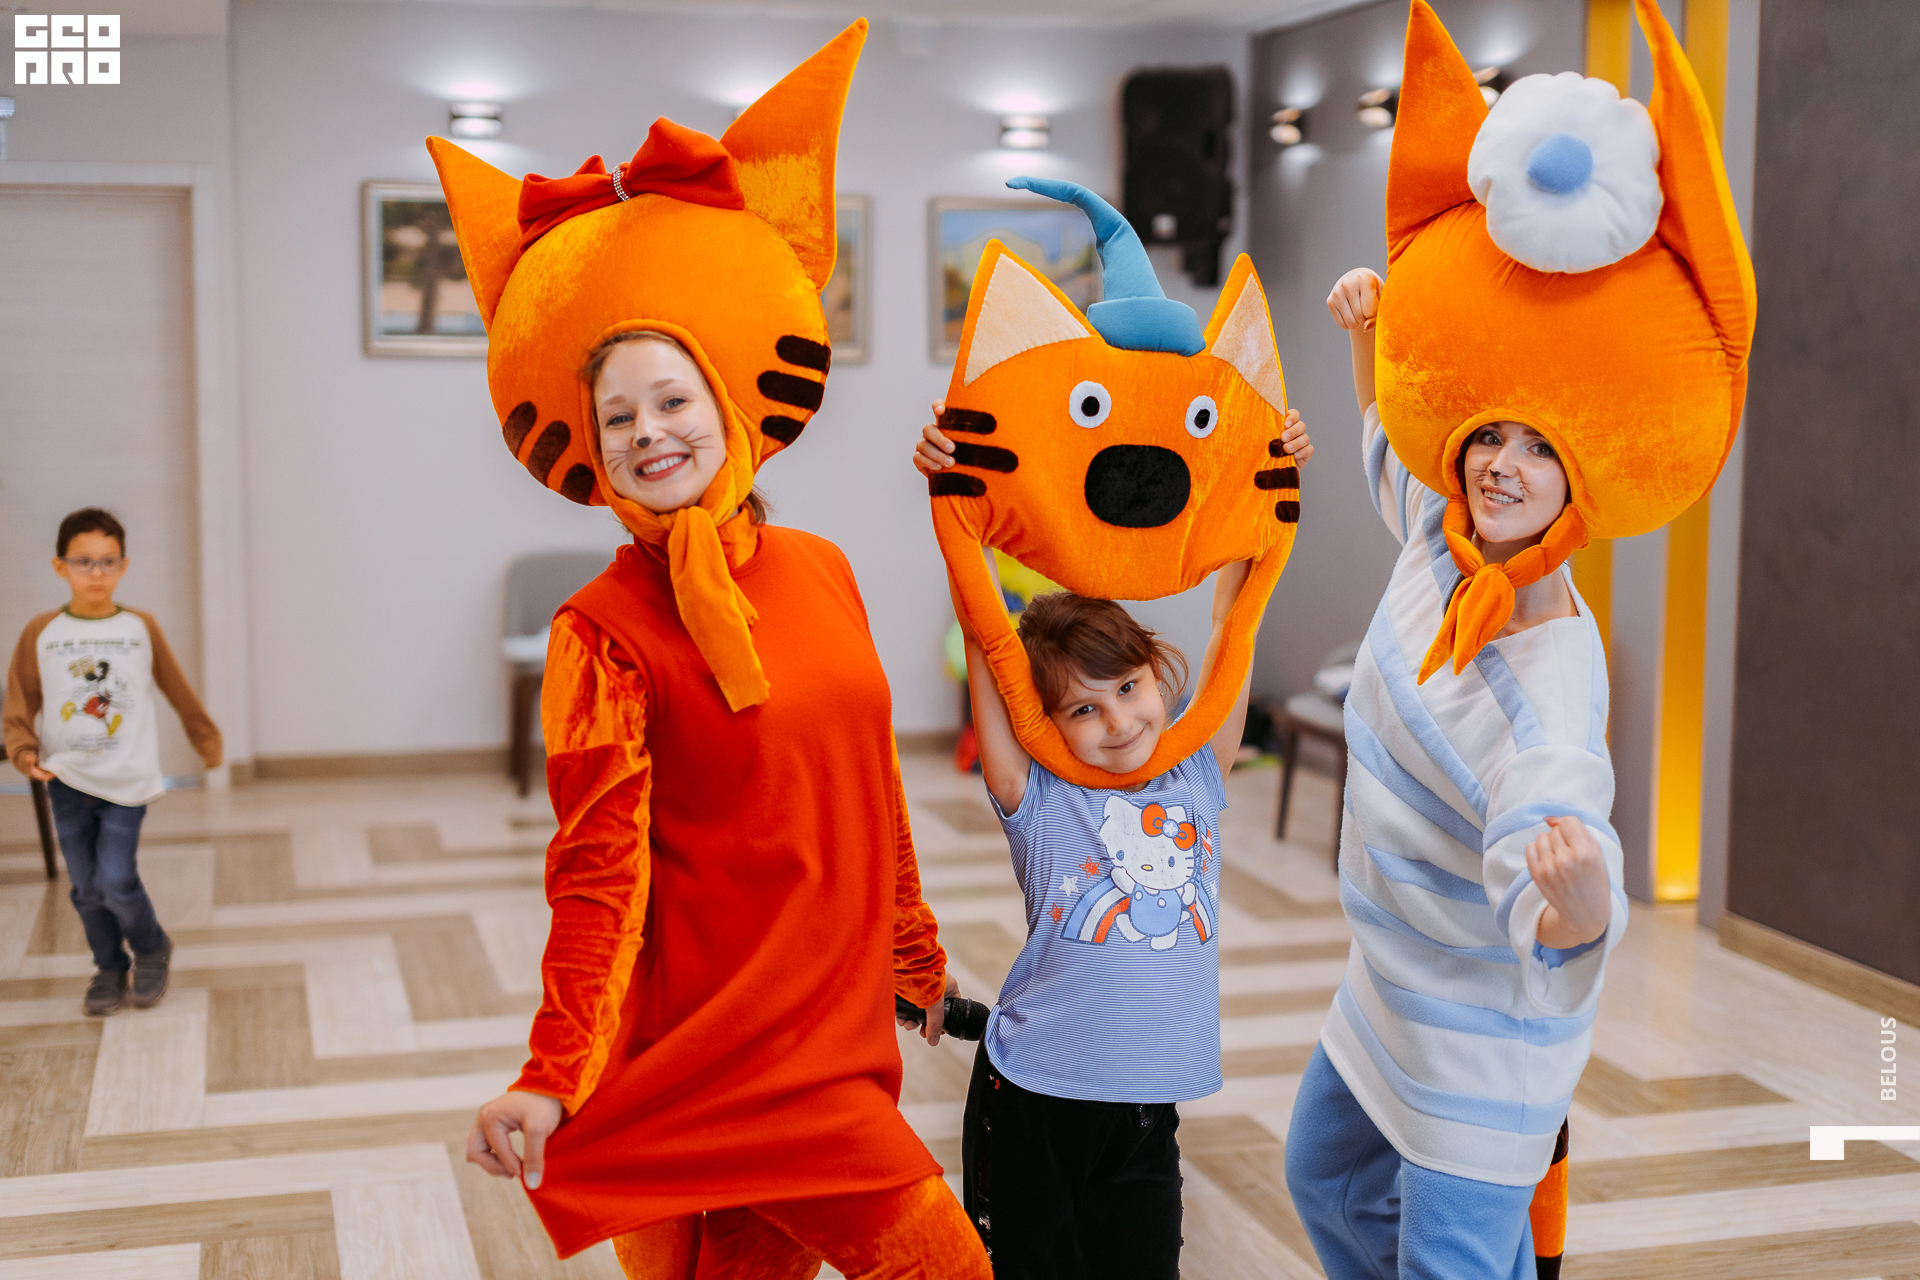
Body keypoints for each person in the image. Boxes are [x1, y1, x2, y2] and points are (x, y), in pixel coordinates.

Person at [431, 23, 989, 1276]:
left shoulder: (823, 566)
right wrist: (551, 1072)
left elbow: (869, 786)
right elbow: (597, 874)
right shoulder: (599, 631)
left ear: (724, 404)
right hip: (714, 1052)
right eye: (617, 417)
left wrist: (913, 955)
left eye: (671, 399)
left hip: (833, 1027)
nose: (649, 432)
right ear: (594, 449)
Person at [912, 407, 1312, 1278]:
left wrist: (1267, 480)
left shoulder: (1197, 774)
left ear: (1155, 673)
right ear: (1043, 724)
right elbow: (984, 628)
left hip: (1143, 1117)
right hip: (1031, 1106)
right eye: (1083, 709)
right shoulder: (1037, 793)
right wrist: (953, 494)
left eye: (1128, 687)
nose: (1119, 720)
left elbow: (1234, 620)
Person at [4, 507, 222, 1017]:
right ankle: (108, 966)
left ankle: (151, 947)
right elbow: (20, 700)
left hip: (127, 779)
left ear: (123, 566)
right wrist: (23, 751)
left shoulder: (139, 627)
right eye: (83, 561)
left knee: (116, 880)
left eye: (108, 561)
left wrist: (204, 738)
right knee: (85, 888)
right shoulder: (42, 631)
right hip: (66, 779)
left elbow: (176, 687)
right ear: (60, 566)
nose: (96, 573)